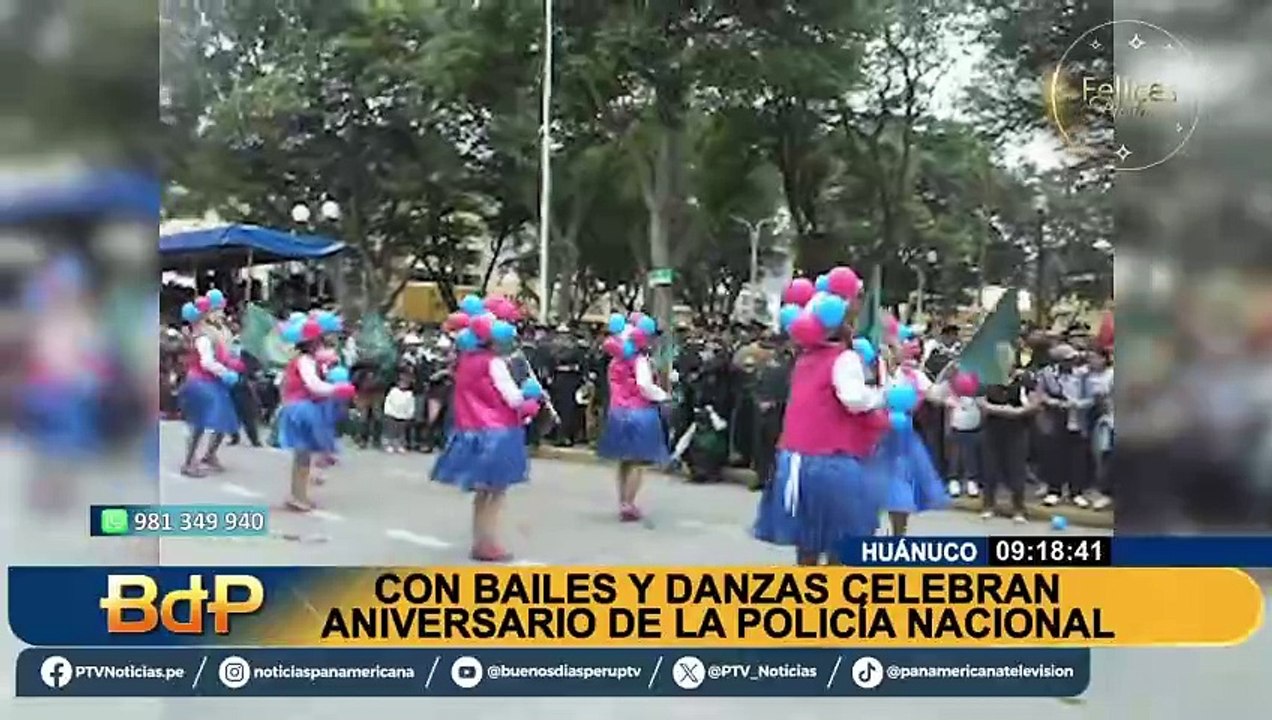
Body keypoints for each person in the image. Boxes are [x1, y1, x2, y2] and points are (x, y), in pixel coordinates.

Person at [754, 267, 890, 565]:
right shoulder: (844, 358)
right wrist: (884, 396)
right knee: (842, 544)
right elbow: (854, 400)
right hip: (832, 463)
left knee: (807, 542)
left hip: (796, 461)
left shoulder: (806, 358)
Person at [432, 297, 540, 561]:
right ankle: (489, 542)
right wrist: (530, 398)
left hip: (472, 430)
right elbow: (512, 397)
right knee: (497, 492)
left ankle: (479, 540)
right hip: (499, 432)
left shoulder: (464, 362)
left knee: (482, 492)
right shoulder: (493, 363)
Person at [275, 312, 356, 511]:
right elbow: (313, 385)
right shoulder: (305, 361)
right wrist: (335, 389)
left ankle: (298, 495)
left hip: (301, 407)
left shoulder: (309, 360)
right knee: (303, 455)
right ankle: (298, 496)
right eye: (319, 340)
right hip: (302, 409)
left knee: (302, 456)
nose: (321, 343)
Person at [596, 313, 670, 521]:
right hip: (640, 413)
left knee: (624, 461)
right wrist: (664, 396)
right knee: (638, 461)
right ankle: (629, 504)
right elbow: (644, 386)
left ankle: (623, 501)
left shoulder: (615, 361)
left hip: (618, 411)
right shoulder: (640, 360)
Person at [880, 339, 950, 536]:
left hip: (902, 440)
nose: (890, 351)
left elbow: (935, 395)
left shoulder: (913, 375)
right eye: (888, 346)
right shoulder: (872, 371)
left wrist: (950, 379)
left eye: (894, 347)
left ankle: (898, 538)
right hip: (872, 437)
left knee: (900, 492)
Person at [176, 290, 242, 477]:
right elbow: (206, 361)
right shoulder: (203, 334)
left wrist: (233, 360)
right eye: (217, 309)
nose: (221, 311)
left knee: (223, 419)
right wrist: (225, 372)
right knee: (199, 424)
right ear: (208, 312)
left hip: (215, 381)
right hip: (201, 382)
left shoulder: (221, 328)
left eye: (221, 308)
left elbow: (226, 350)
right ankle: (188, 463)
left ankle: (209, 454)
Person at [978, 366, 1038, 522]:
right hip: (992, 430)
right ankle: (988, 505)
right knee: (990, 468)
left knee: (1016, 469)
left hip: (1017, 431)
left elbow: (1034, 404)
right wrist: (1009, 411)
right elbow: (982, 404)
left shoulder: (1025, 379)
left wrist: (1011, 412)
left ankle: (1018, 508)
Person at [383, 371, 416, 453]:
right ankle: (389, 444)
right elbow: (388, 401)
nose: (403, 384)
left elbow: (411, 405)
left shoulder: (409, 394)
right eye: (402, 383)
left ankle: (400, 445)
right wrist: (388, 411)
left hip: (403, 416)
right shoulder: (393, 391)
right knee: (391, 431)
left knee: (401, 432)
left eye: (406, 383)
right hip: (392, 414)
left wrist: (410, 414)